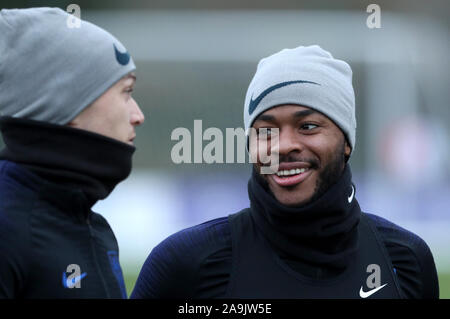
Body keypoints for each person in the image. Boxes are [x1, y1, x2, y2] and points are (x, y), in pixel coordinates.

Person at [131, 45, 439, 299]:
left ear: (346, 142)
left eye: (308, 126)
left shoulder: (405, 259)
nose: (283, 145)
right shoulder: (186, 263)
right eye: (266, 130)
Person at [0, 7, 144, 298]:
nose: (138, 114)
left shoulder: (92, 226)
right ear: (66, 102)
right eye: (126, 92)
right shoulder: (7, 229)